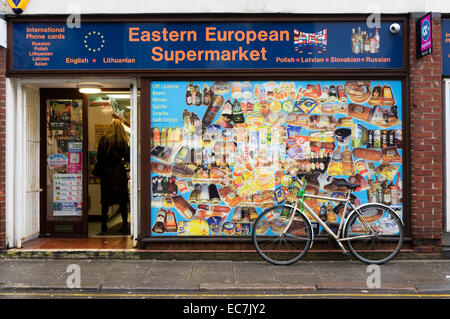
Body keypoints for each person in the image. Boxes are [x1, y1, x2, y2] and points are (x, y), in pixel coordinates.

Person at [95, 119, 130, 234]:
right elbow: (128, 158)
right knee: (122, 201)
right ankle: (125, 225)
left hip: (106, 173)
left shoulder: (104, 140)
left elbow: (99, 157)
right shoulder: (124, 141)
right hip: (119, 173)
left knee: (105, 201)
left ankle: (103, 225)